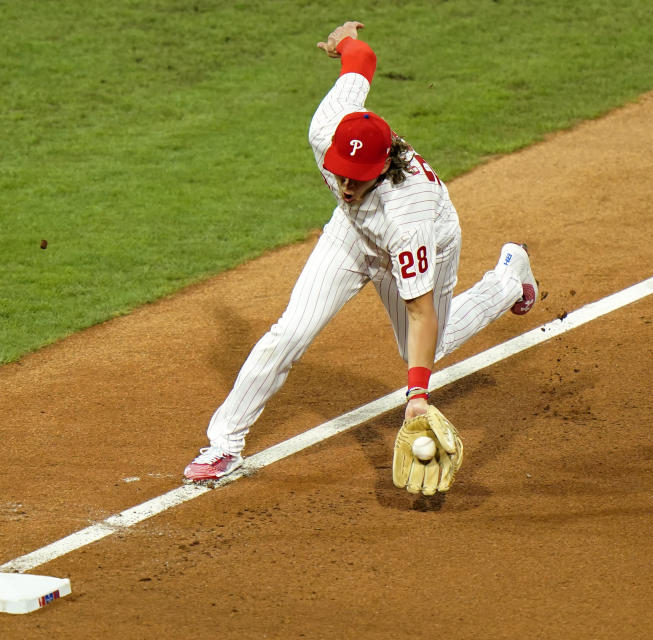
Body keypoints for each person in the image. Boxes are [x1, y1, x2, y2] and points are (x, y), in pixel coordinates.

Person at [183, 21, 537, 487]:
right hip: (349, 237)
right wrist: (345, 40)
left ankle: (509, 276)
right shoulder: (327, 128)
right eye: (340, 174)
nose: (345, 186)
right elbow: (361, 62)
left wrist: (417, 394)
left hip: (425, 242)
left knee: (429, 345)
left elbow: (420, 310)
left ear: (384, 166)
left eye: (357, 178)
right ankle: (224, 445)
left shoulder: (408, 216)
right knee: (289, 331)